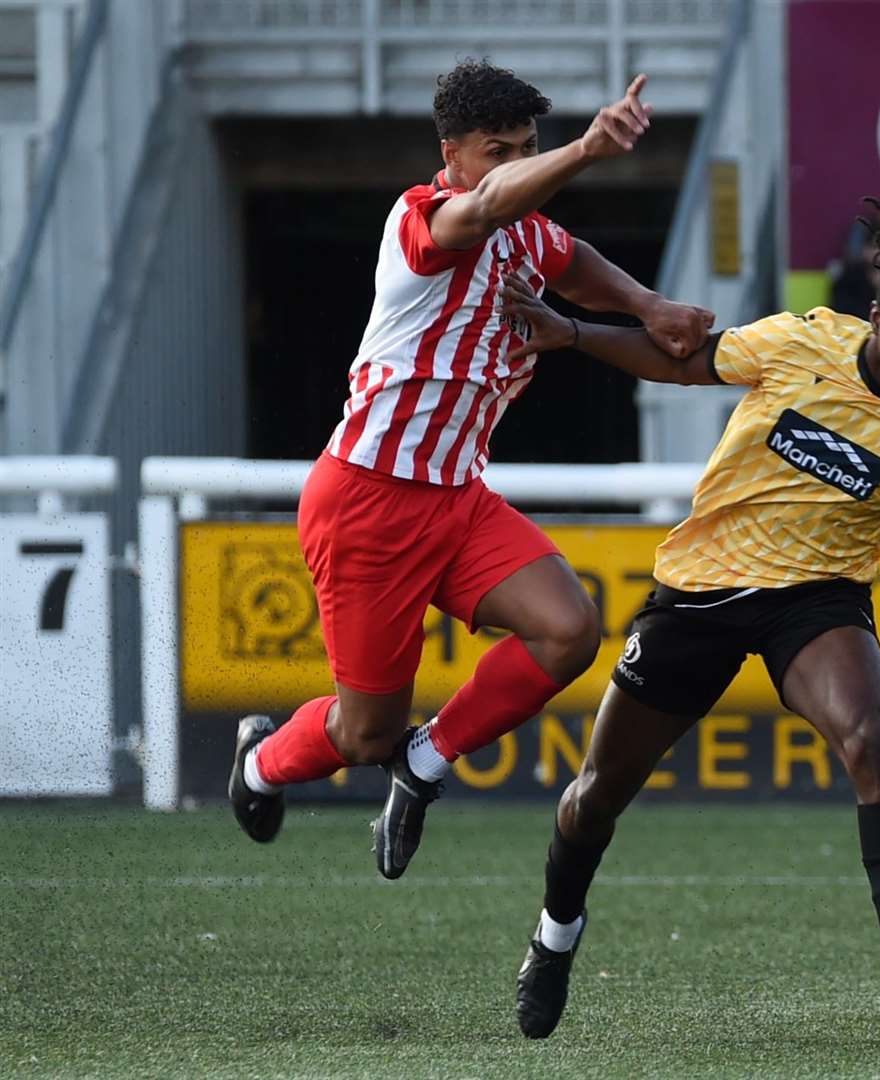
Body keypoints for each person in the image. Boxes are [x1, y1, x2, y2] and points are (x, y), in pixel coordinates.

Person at [497, 192, 880, 1050]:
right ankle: (553, 938)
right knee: (596, 796)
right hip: (697, 593)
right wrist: (577, 334)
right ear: (875, 313)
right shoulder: (800, 340)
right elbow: (686, 363)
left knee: (871, 740)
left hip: (815, 601)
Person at [226, 60, 713, 882]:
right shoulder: (425, 217)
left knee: (569, 632)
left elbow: (569, 255)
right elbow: (486, 207)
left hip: (456, 497)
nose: (514, 164)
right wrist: (591, 148)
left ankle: (426, 762)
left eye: (528, 147)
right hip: (368, 502)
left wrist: (649, 307)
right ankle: (260, 765)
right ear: (450, 153)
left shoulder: (523, 225)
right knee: (362, 735)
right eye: (498, 150)